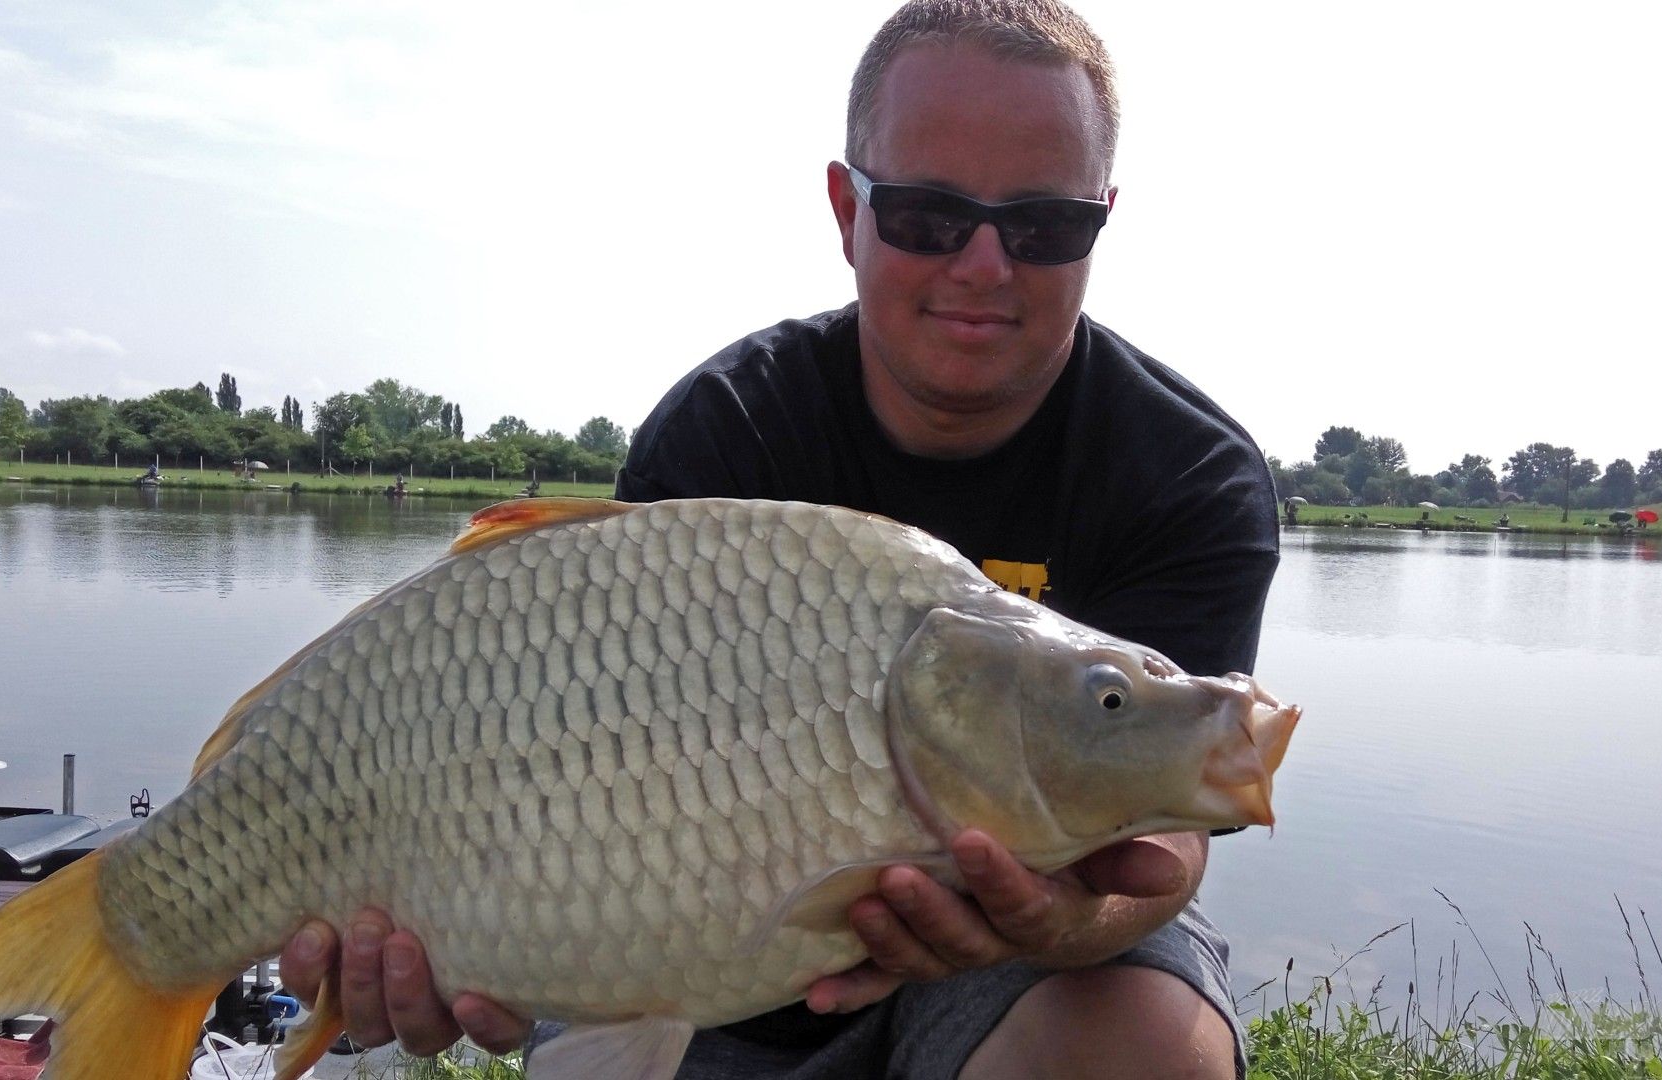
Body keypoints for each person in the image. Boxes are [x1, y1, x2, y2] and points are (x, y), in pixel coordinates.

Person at [281, 2, 1277, 1077]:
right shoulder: (726, 430)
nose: (986, 265)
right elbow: (581, 784)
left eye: (1043, 225)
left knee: (1147, 1051)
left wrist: (1055, 922)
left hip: (1044, 961)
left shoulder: (1191, 474)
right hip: (703, 960)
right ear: (848, 210)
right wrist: (491, 937)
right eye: (928, 216)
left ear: (1101, 222)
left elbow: (1167, 839)